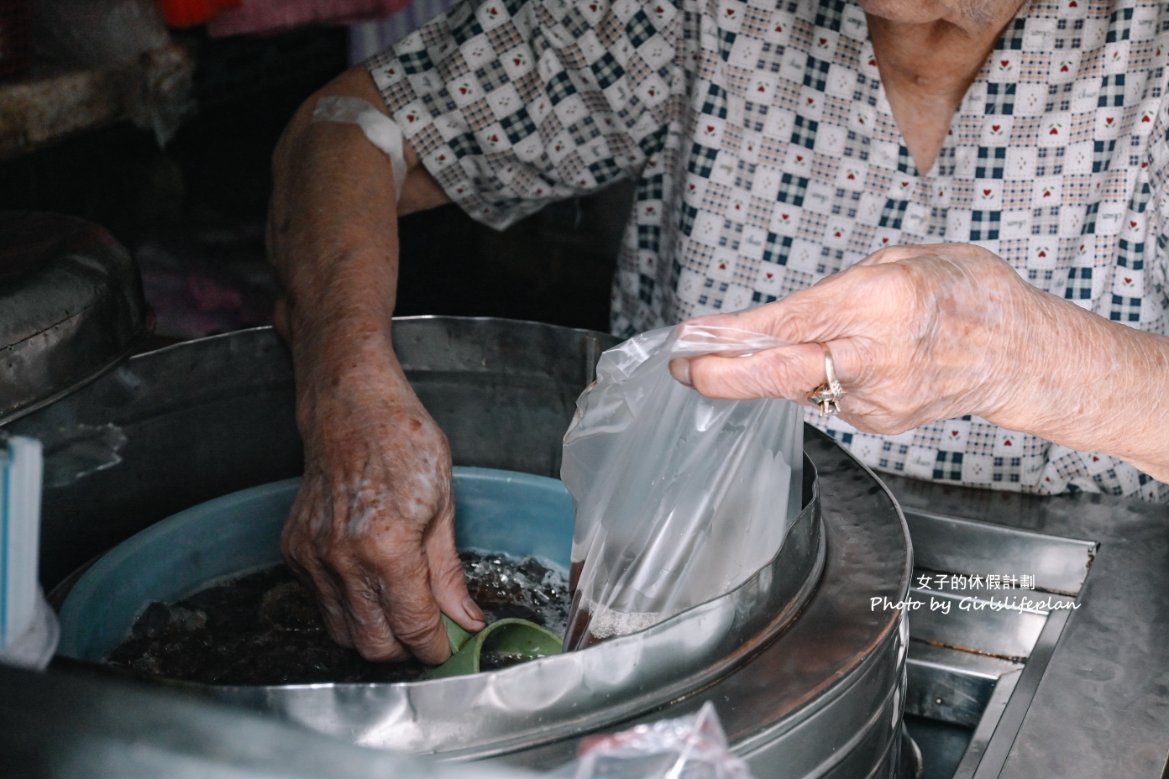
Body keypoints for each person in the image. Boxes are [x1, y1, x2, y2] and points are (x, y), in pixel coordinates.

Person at [267, 0, 1169, 662]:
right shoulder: (695, 13)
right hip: (686, 596)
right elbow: (350, 129)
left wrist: (1028, 357)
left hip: (1072, 605)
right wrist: (342, 381)